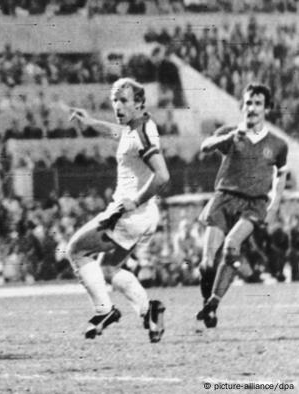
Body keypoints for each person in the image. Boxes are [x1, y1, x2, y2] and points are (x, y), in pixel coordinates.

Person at [65, 78, 170, 343]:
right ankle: (150, 312)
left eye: (123, 100)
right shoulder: (136, 127)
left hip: (128, 214)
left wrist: (135, 199)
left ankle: (104, 311)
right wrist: (91, 123)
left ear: (138, 103)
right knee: (110, 270)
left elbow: (163, 176)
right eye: (114, 100)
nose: (117, 106)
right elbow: (118, 133)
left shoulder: (142, 134)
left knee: (75, 250)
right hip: (145, 215)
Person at [196, 83, 288, 328]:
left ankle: (214, 302)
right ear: (242, 106)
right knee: (206, 263)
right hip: (224, 198)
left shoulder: (278, 144)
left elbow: (282, 173)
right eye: (248, 103)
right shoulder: (231, 133)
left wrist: (275, 204)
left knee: (231, 246)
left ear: (266, 109)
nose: (252, 108)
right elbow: (204, 147)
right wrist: (226, 138)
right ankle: (208, 304)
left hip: (253, 203)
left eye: (258, 103)